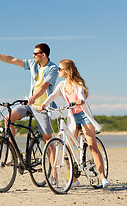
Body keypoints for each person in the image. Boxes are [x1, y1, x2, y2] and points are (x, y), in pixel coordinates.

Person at [37, 59, 110, 188]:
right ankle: (74, 179)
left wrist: (80, 101)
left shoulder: (78, 83)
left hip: (83, 116)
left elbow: (81, 95)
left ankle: (103, 177)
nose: (58, 71)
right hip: (72, 117)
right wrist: (43, 105)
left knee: (92, 146)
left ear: (67, 70)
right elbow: (52, 96)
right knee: (67, 150)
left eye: (60, 69)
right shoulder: (61, 85)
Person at [0, 43, 58, 144]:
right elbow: (11, 59)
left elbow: (44, 86)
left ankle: (53, 160)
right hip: (29, 103)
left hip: (42, 107)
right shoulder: (33, 64)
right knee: (8, 119)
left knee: (48, 140)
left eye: (35, 53)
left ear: (43, 55)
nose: (33, 55)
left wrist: (34, 97)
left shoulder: (53, 69)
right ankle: (13, 154)